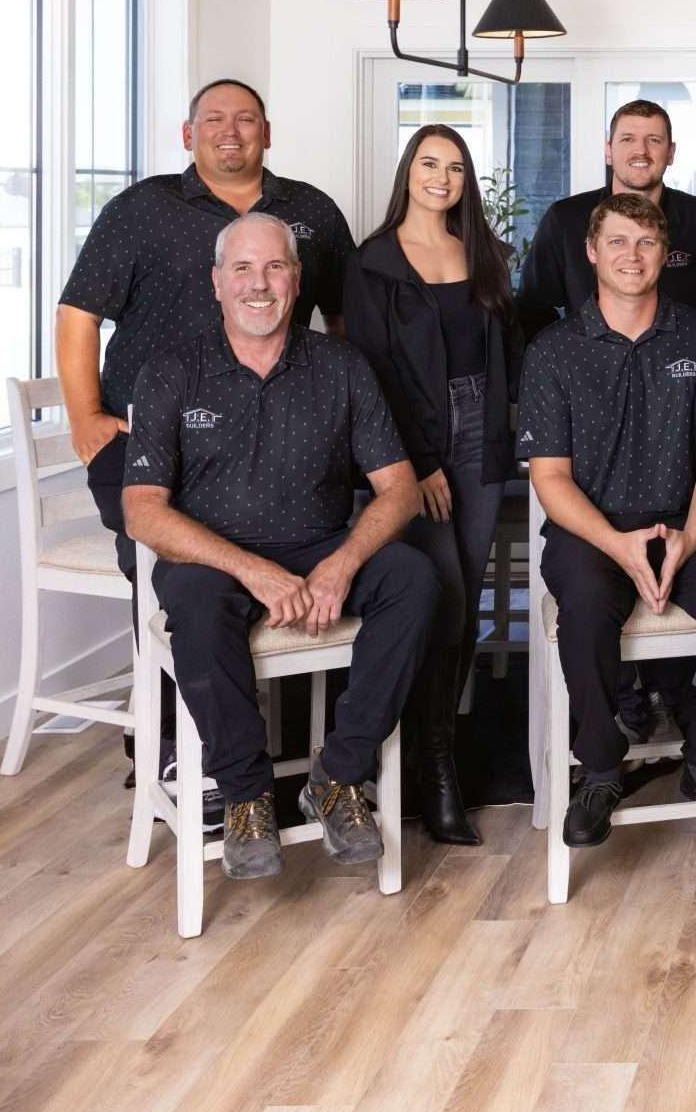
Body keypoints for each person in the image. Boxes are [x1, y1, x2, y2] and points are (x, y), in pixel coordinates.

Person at [55, 78, 355, 798]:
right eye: (214, 119)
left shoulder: (312, 212)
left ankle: (301, 743)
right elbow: (77, 314)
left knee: (314, 539)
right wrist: (85, 416)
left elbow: (346, 322)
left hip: (269, 434)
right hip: (150, 437)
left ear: (267, 134)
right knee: (169, 563)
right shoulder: (141, 210)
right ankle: (168, 739)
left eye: (246, 119)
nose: (231, 131)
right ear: (187, 135)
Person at [119, 213, 434, 880]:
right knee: (196, 603)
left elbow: (400, 490)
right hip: (212, 559)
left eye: (274, 267)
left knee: (414, 577)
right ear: (217, 282)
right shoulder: (172, 370)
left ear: (297, 279)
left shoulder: (342, 365)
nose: (258, 284)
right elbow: (142, 511)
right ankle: (245, 796)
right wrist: (252, 570)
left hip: (320, 545)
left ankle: (338, 777)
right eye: (242, 268)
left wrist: (342, 564)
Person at [517, 193, 696, 848]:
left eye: (647, 242)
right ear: (591, 253)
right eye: (618, 242)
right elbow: (551, 478)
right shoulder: (553, 351)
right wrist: (616, 545)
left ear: (666, 254)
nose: (633, 255)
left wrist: (691, 536)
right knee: (586, 605)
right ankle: (601, 769)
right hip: (589, 530)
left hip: (682, 521)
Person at [340, 124, 523, 847]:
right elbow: (370, 372)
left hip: (482, 435)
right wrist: (416, 462)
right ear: (407, 172)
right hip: (410, 443)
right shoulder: (373, 262)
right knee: (435, 600)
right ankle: (432, 770)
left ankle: (432, 755)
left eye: (454, 167)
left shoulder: (484, 254)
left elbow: (506, 355)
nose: (441, 177)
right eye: (428, 163)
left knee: (464, 601)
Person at [516, 98, 696, 334]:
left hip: (685, 356)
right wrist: (565, 350)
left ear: (671, 153)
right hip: (588, 357)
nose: (641, 151)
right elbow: (532, 309)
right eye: (627, 139)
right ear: (608, 151)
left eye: (654, 140)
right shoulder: (565, 219)